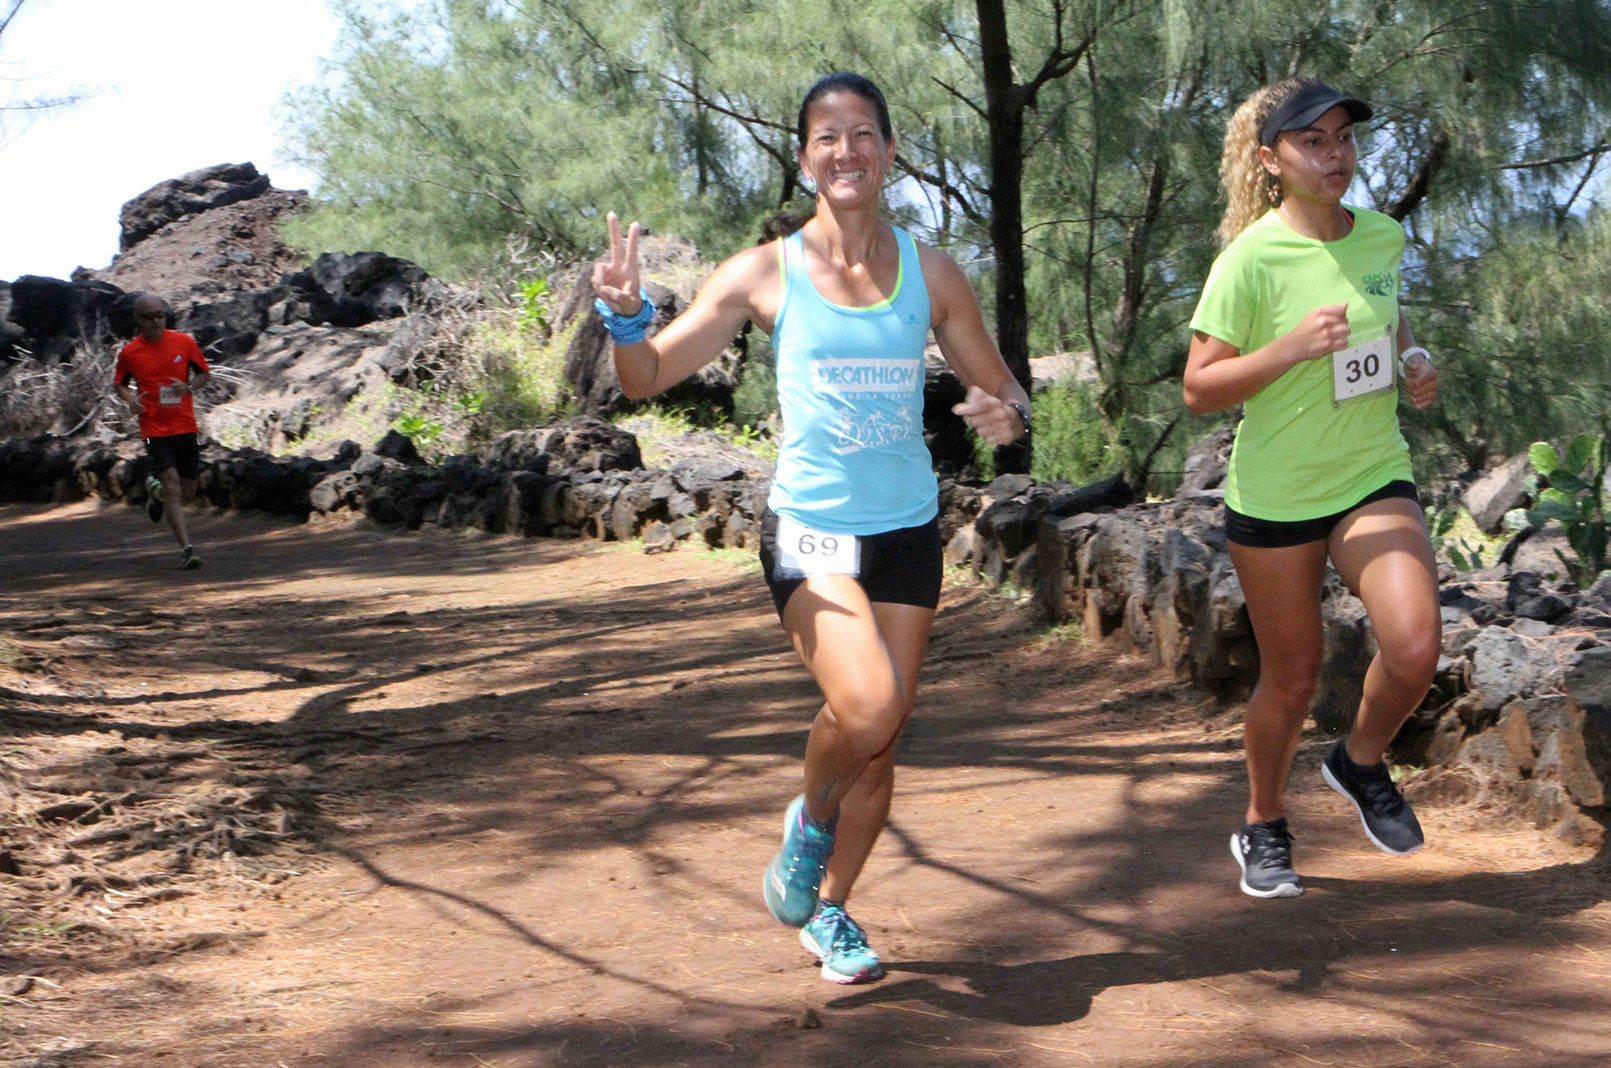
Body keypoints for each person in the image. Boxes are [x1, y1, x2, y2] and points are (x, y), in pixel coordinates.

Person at [592, 72, 1030, 982]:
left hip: (904, 530)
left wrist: (1004, 414)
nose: (845, 151)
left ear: (889, 151)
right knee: (867, 704)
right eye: (826, 138)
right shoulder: (765, 272)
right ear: (804, 159)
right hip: (812, 529)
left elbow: (1001, 390)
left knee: (882, 738)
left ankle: (830, 912)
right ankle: (809, 820)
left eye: (862, 134)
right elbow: (644, 379)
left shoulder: (932, 273)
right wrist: (628, 315)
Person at [1183, 79, 1442, 899]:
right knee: (1290, 679)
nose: (1336, 155)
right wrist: (1290, 347)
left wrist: (1412, 361)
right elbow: (1199, 387)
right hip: (1278, 494)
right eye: (1313, 142)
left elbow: (1388, 319)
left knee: (1413, 644)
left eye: (1343, 139)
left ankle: (1358, 761)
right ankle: (1262, 822)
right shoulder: (1248, 259)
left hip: (1370, 470)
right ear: (1270, 160)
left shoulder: (1381, 239)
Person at [113, 293, 211, 569]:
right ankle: (187, 549)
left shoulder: (184, 342)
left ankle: (154, 493)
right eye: (149, 317)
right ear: (137, 320)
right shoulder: (130, 352)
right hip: (153, 425)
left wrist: (189, 388)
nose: (156, 321)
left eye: (160, 315)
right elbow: (118, 384)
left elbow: (205, 373)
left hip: (183, 423)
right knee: (171, 482)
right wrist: (131, 400)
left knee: (187, 490)